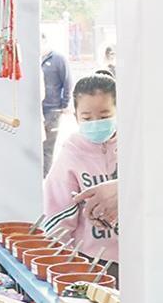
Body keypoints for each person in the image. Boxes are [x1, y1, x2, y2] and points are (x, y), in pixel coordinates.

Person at [43, 71, 119, 275]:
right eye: (87, 118)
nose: (95, 122)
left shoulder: (134, 147)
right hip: (91, 260)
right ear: (76, 116)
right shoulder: (71, 155)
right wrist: (60, 261)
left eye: (104, 116)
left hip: (135, 256)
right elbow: (58, 213)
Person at [41, 34, 72, 172]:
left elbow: (67, 82)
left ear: (45, 41)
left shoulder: (58, 59)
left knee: (48, 147)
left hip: (53, 109)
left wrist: (65, 104)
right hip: (37, 109)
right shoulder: (35, 59)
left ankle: (46, 176)